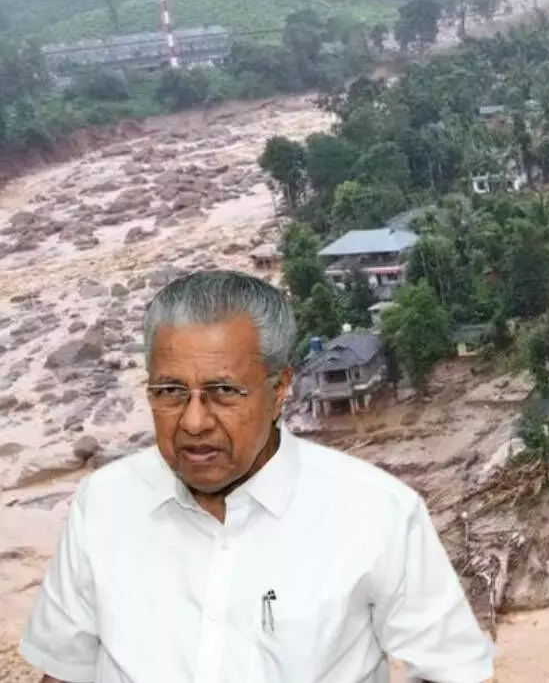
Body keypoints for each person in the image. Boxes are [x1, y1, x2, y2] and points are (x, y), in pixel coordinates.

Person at [20, 270, 496, 683]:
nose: (193, 422)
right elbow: (66, 671)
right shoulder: (103, 504)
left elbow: (452, 672)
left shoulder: (377, 515)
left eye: (223, 392)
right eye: (169, 391)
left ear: (279, 390)